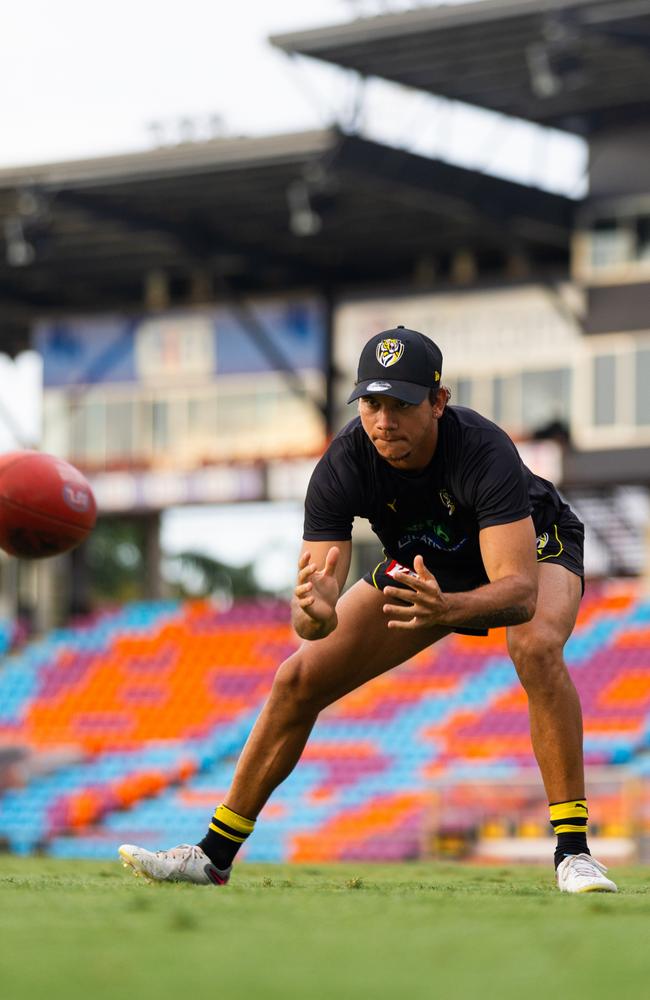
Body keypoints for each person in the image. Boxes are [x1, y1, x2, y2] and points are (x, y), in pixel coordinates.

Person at [119, 327, 617, 893]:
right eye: (372, 404)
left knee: (533, 644)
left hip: (530, 546)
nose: (383, 421)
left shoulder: (483, 448)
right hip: (427, 564)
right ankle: (212, 856)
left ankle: (573, 854)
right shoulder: (344, 463)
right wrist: (316, 610)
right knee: (298, 676)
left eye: (401, 405)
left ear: (438, 402)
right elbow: (309, 618)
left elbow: (519, 593)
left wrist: (445, 607)